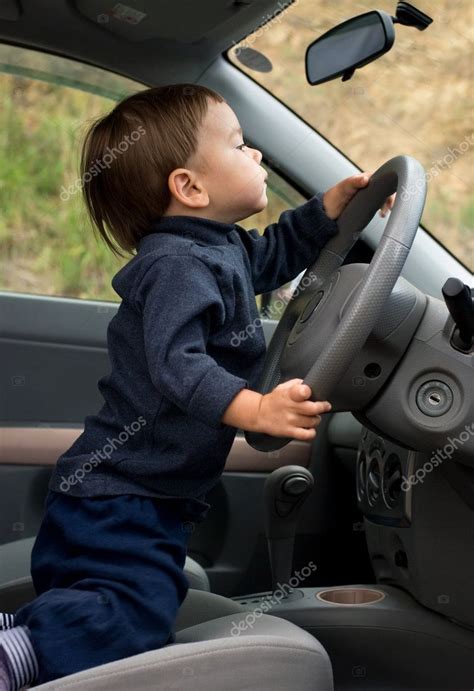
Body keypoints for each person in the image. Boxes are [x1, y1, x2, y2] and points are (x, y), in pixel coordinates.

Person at [0, 83, 394, 690]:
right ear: (189, 187)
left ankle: (23, 634)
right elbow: (175, 366)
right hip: (122, 495)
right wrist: (254, 408)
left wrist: (328, 210)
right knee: (131, 616)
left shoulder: (217, 247)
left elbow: (272, 256)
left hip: (137, 492)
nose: (257, 155)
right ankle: (14, 659)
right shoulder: (178, 266)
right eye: (240, 145)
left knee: (119, 601)